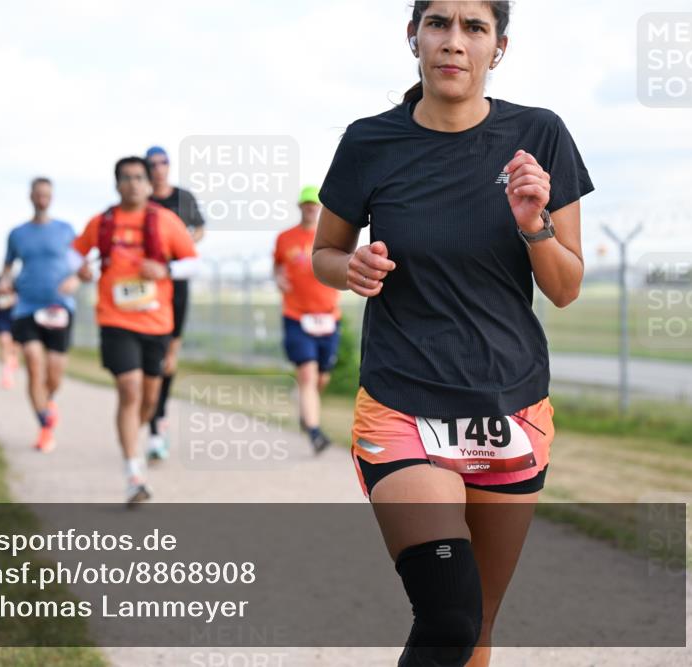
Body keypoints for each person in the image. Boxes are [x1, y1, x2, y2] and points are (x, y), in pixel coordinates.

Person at [311, 2, 594, 665]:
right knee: (448, 612)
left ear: (498, 47)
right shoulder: (369, 141)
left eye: (474, 28)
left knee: (478, 628)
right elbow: (324, 251)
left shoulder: (539, 135)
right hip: (403, 405)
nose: (453, 41)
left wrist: (534, 223)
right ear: (413, 37)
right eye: (438, 23)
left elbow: (566, 285)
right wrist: (349, 266)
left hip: (509, 408)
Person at [73, 156, 199, 506]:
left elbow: (192, 262)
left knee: (147, 400)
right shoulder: (102, 222)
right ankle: (133, 473)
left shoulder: (166, 221)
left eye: (138, 177)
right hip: (115, 319)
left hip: (157, 324)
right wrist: (81, 270)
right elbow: (75, 254)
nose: (133, 183)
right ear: (117, 184)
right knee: (128, 390)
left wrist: (165, 270)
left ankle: (137, 438)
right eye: (125, 178)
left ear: (148, 183)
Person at [2, 177, 81, 451]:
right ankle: (44, 425)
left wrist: (76, 281)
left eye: (47, 194)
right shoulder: (17, 233)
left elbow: (80, 266)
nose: (42, 198)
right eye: (38, 194)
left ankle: (48, 403)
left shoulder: (66, 230)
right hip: (27, 306)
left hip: (60, 307)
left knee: (54, 374)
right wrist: (4, 282)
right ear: (31, 196)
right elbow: (7, 266)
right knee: (34, 363)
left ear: (52, 197)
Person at [144, 145, 207, 461]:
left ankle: (159, 418)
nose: (158, 168)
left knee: (169, 357)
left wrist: (180, 245)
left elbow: (200, 229)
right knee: (148, 357)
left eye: (163, 162)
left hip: (177, 286)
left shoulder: (183, 197)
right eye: (152, 164)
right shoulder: (142, 202)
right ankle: (152, 420)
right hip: (147, 289)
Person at [274, 185, 340, 454]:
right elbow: (277, 265)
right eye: (307, 204)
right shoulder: (285, 238)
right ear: (300, 206)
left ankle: (306, 409)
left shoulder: (332, 238)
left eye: (315, 204)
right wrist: (278, 277)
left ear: (320, 208)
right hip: (296, 315)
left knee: (321, 377)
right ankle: (314, 432)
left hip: (328, 317)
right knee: (307, 373)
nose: (311, 208)